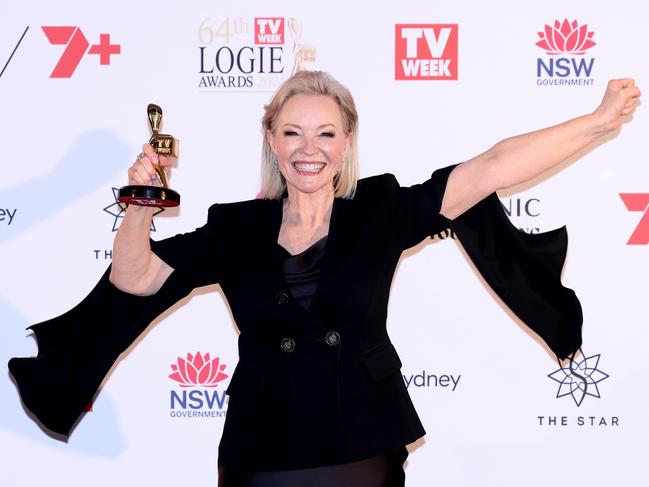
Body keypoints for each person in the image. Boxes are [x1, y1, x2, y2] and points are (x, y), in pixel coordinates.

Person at [9, 71, 640, 486]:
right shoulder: (232, 229)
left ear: (345, 142)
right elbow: (136, 279)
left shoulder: (383, 211)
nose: (308, 149)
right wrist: (142, 202)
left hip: (362, 443)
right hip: (260, 448)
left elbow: (492, 166)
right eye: (292, 132)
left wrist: (597, 121)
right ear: (272, 140)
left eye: (325, 133)